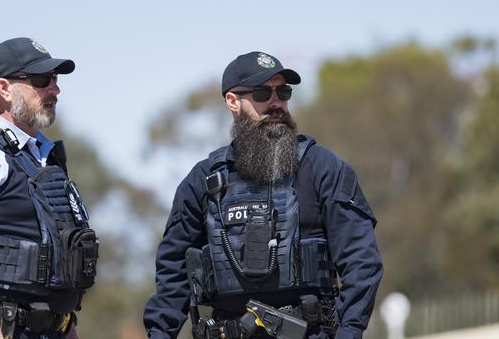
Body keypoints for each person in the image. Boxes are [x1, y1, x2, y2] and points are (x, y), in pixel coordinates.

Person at [143, 52, 383, 339]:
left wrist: (349, 332)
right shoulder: (203, 181)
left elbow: (362, 262)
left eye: (283, 91)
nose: (276, 103)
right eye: (262, 92)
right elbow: (173, 273)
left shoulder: (322, 168)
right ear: (233, 101)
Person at [0, 37, 99, 339]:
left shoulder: (43, 157)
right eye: (41, 80)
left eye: (55, 79)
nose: (55, 89)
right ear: (4, 89)